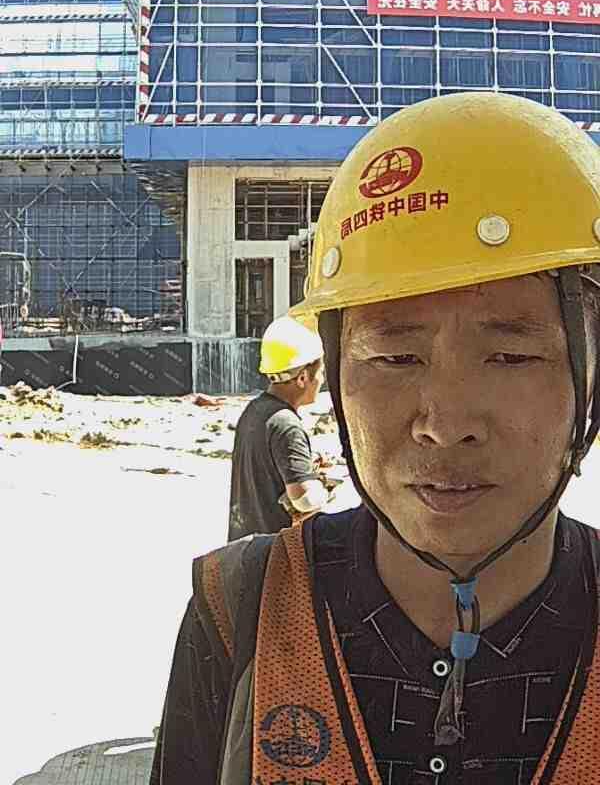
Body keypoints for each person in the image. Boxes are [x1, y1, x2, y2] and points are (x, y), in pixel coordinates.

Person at [150, 91, 600, 785]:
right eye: (394, 357)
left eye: (510, 356)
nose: (444, 425)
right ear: (337, 373)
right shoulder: (241, 607)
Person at [228, 315, 330, 540]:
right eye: (321, 372)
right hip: (273, 552)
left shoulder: (255, 410)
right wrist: (322, 489)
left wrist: (305, 466)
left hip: (245, 548)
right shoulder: (287, 425)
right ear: (303, 377)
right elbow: (304, 500)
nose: (322, 380)